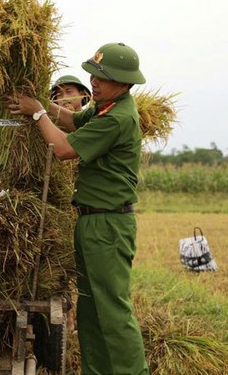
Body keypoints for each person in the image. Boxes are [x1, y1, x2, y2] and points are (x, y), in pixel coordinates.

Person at [8, 42, 149, 374]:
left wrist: (38, 113)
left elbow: (63, 148)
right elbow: (72, 121)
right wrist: (44, 105)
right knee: (90, 311)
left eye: (101, 76)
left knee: (113, 311)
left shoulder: (118, 117)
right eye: (92, 74)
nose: (93, 81)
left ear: (124, 81)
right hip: (90, 220)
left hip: (108, 226)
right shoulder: (104, 107)